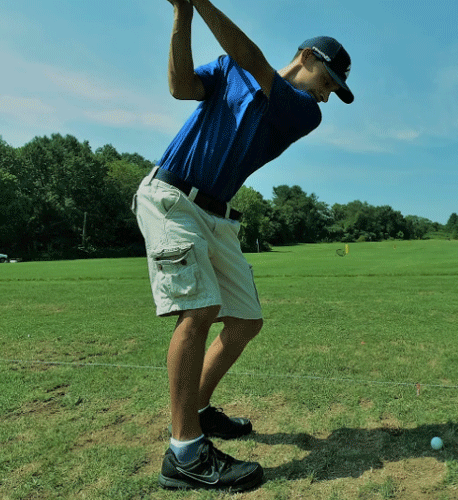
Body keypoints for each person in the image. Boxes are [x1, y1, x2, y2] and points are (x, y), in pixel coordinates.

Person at [132, 0, 354, 492]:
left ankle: (200, 409)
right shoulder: (229, 68)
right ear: (308, 57)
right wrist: (182, 13)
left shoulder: (303, 113)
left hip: (216, 215)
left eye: (335, 90)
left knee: (246, 321)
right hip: (172, 197)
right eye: (330, 82)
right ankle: (185, 453)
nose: (329, 94)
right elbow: (181, 87)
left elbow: (253, 59)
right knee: (200, 309)